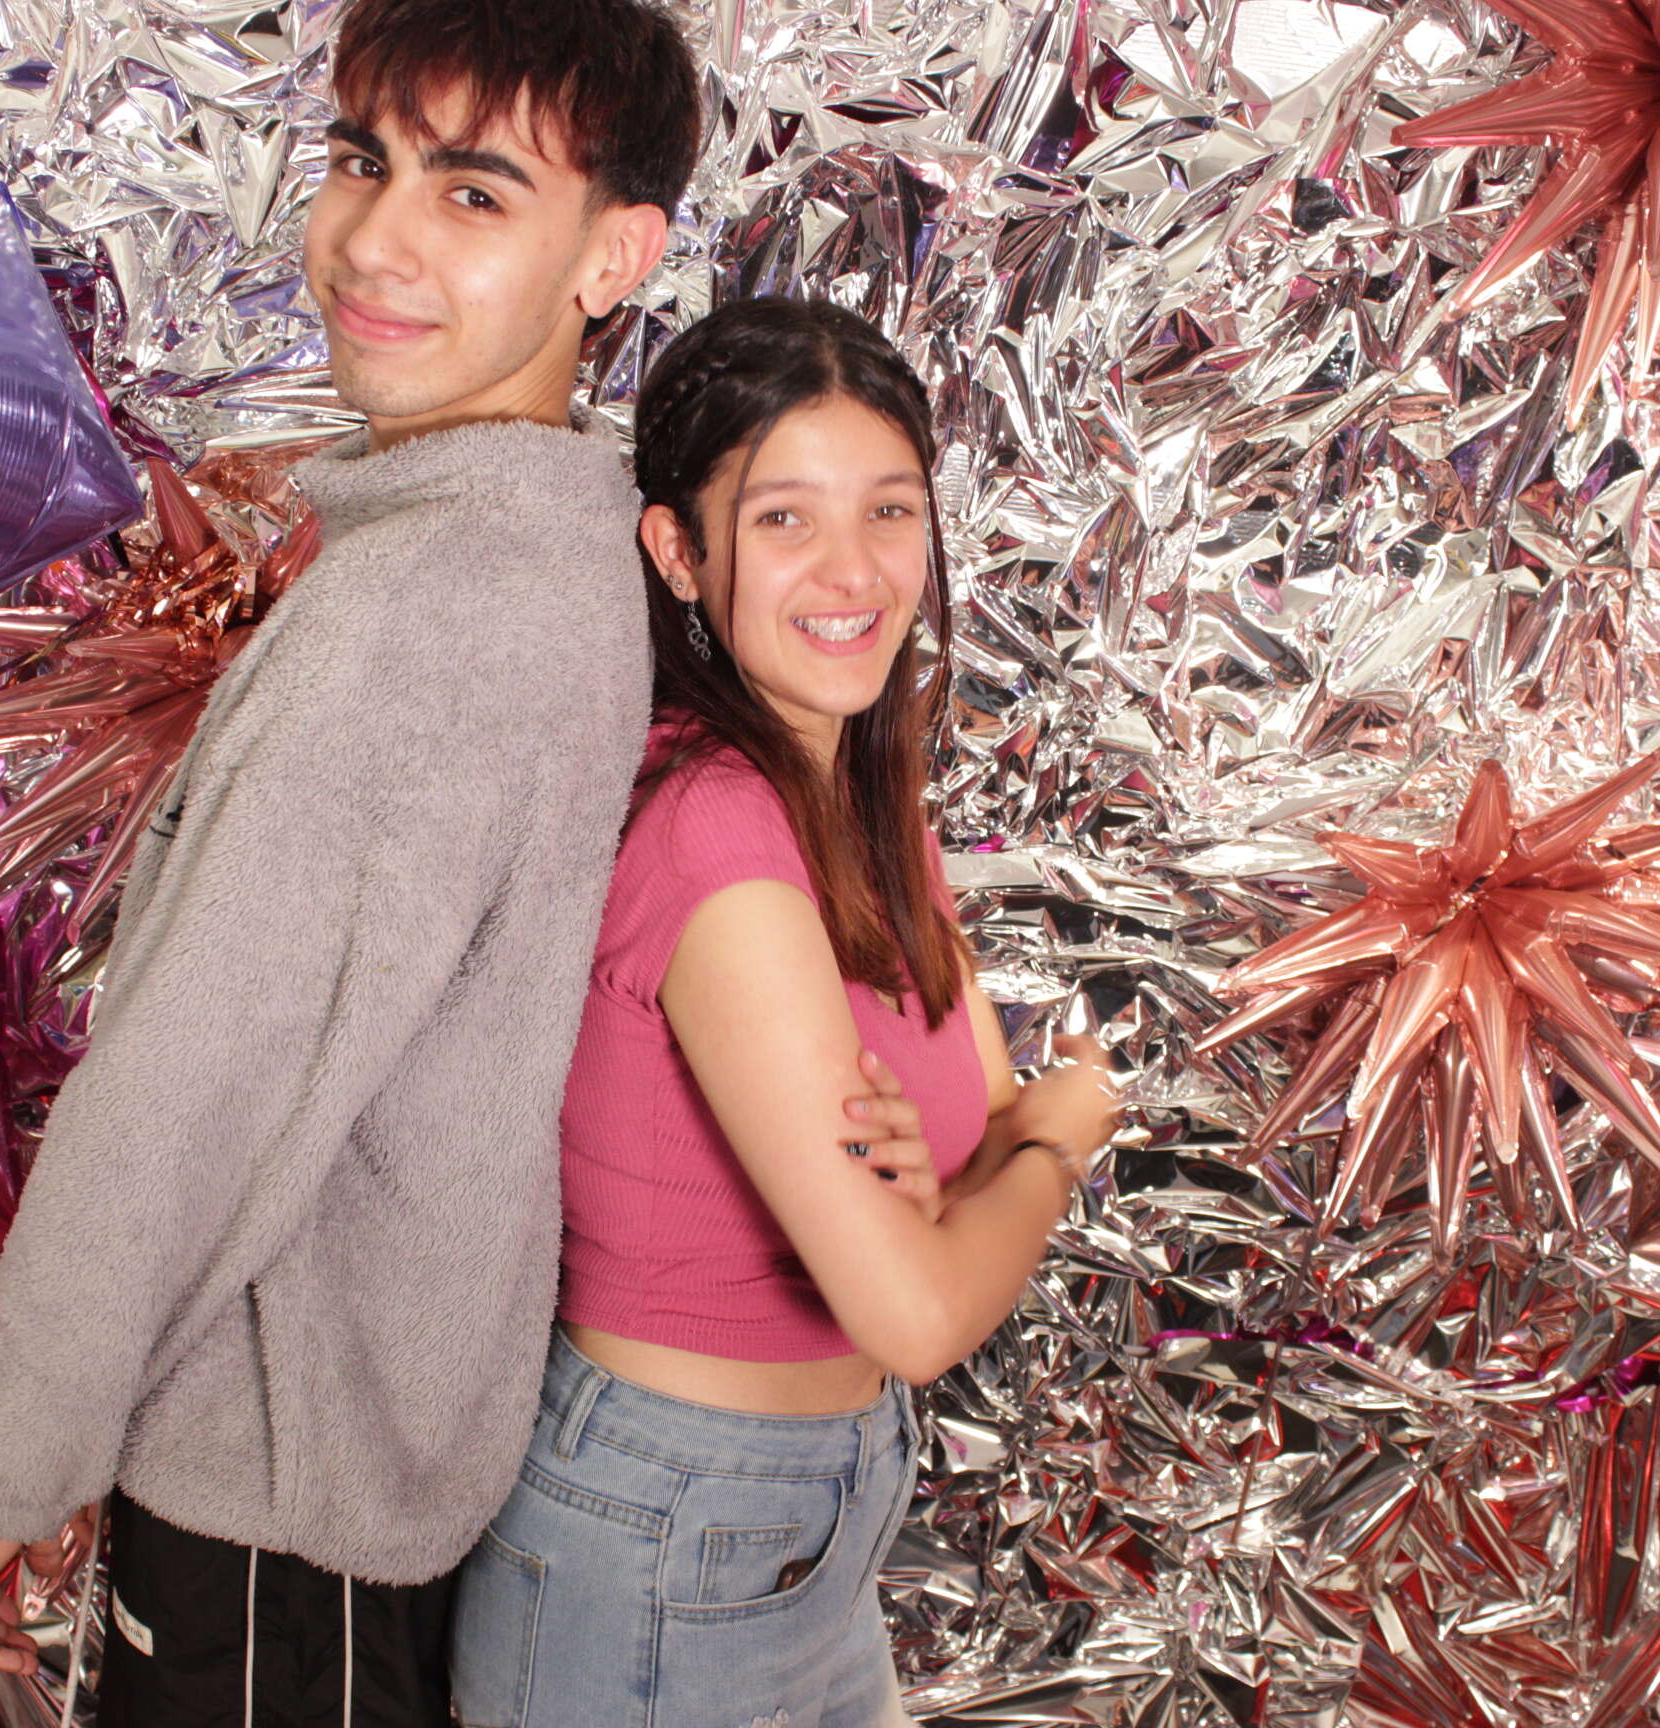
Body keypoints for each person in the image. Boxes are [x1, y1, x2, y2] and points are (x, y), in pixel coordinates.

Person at [0, 2, 744, 1722]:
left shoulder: (428, 609)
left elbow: (201, 1083)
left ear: (615, 256)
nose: (374, 240)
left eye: (474, 193)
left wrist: (19, 1455)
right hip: (358, 1475)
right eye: (365, 162)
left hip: (280, 1497)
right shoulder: (549, 533)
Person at [449, 296, 1123, 1728]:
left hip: (805, 1527)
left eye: (889, 509)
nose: (853, 569)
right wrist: (1066, 1132)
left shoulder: (855, 791)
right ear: (676, 552)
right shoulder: (714, 825)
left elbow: (969, 1141)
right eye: (783, 520)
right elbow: (921, 1303)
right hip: (664, 1536)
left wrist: (974, 1171)